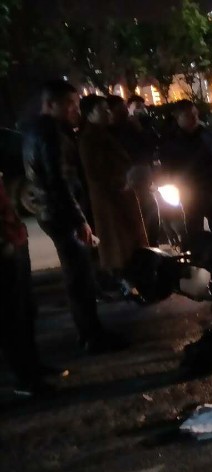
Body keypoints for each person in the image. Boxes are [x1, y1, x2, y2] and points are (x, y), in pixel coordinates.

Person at [23, 80, 126, 354]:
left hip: (51, 212)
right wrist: (80, 220)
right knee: (79, 277)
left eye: (76, 104)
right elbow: (59, 182)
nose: (75, 110)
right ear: (50, 104)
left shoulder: (35, 130)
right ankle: (92, 336)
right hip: (62, 213)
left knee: (78, 275)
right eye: (69, 104)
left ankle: (90, 332)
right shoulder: (51, 134)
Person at [0, 174, 62, 396]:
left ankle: (32, 366)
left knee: (24, 310)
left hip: (13, 240)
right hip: (5, 245)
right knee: (11, 316)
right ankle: (24, 378)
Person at [78, 94, 148, 273]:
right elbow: (95, 173)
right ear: (89, 114)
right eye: (102, 110)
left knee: (129, 243)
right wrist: (122, 182)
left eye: (108, 109)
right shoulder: (90, 139)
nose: (108, 113)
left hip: (121, 195)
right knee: (118, 246)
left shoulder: (108, 133)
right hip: (111, 200)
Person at [160, 100, 212, 239]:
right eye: (188, 116)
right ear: (178, 118)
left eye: (196, 114)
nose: (194, 119)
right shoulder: (171, 142)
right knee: (194, 234)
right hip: (190, 195)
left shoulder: (206, 134)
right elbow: (168, 171)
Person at [109, 94, 161, 245]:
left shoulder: (135, 126)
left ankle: (152, 248)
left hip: (144, 182)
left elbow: (153, 145)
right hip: (127, 185)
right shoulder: (109, 132)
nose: (124, 112)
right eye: (120, 109)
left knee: (151, 219)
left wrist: (140, 127)